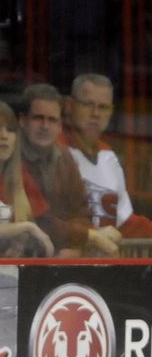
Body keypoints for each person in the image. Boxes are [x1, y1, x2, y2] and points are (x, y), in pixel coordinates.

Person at [17, 83, 116, 257]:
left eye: (52, 119)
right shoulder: (10, 157)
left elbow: (82, 213)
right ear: (23, 120)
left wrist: (74, 247)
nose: (45, 126)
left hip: (61, 256)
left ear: (60, 125)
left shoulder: (65, 157)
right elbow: (34, 218)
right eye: (38, 118)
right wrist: (85, 236)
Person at [61, 72, 152, 240]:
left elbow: (124, 223)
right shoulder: (54, 149)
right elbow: (49, 220)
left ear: (111, 111)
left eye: (103, 107)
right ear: (69, 105)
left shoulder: (108, 155)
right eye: (88, 104)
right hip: (64, 261)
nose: (95, 113)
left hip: (104, 262)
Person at [0, 101, 54, 257]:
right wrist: (25, 227)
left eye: (10, 130)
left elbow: (45, 238)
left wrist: (24, 245)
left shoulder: (22, 177)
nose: (4, 136)